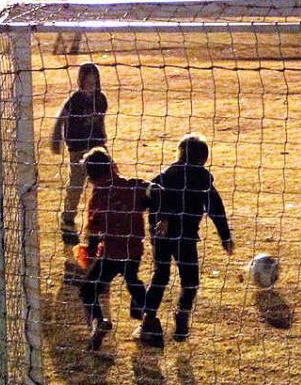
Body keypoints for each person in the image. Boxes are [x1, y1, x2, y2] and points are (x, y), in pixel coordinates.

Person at [138, 134, 234, 348]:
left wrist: (158, 217)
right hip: (185, 237)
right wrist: (225, 236)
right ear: (203, 160)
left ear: (179, 154)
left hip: (162, 236)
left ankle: (148, 320)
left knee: (160, 277)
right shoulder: (203, 181)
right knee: (190, 281)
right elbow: (216, 209)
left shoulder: (164, 176)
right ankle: (182, 315)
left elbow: (146, 198)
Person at [77, 147, 149, 351]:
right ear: (112, 166)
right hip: (133, 250)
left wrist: (90, 256)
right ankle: (149, 318)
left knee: (87, 289)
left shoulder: (99, 196)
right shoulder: (133, 186)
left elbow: (93, 228)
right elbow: (153, 192)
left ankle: (99, 321)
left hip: (110, 252)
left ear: (90, 178)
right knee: (133, 282)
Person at [51, 63, 108, 246]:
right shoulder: (75, 99)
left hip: (96, 147)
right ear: (81, 80)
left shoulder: (100, 99)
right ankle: (68, 217)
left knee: (105, 182)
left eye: (94, 78)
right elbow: (61, 117)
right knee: (76, 183)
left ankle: (101, 217)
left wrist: (103, 138)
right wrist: (56, 137)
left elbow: (100, 120)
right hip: (78, 147)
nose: (91, 82)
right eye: (87, 78)